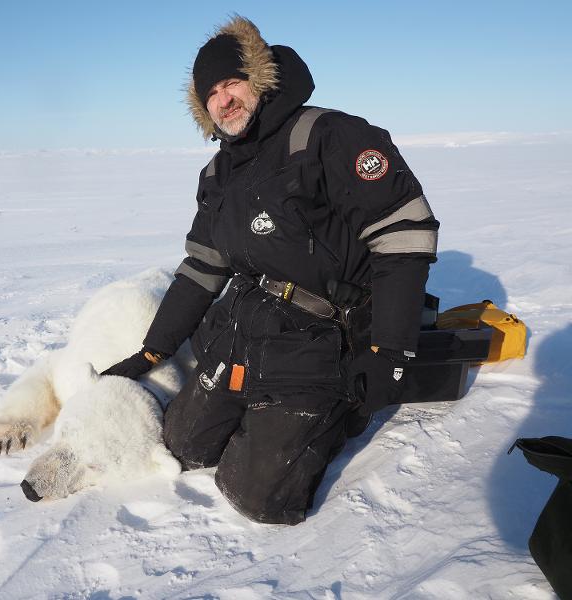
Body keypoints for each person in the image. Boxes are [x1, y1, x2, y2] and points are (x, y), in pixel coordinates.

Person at [103, 15, 439, 525]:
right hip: (246, 328)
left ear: (259, 79)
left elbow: (404, 236)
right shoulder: (219, 171)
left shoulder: (329, 136)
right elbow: (201, 269)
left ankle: (335, 410)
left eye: (233, 82)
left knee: (256, 494)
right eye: (211, 93)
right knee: (182, 445)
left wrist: (389, 349)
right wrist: (154, 348)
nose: (224, 100)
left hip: (321, 337)